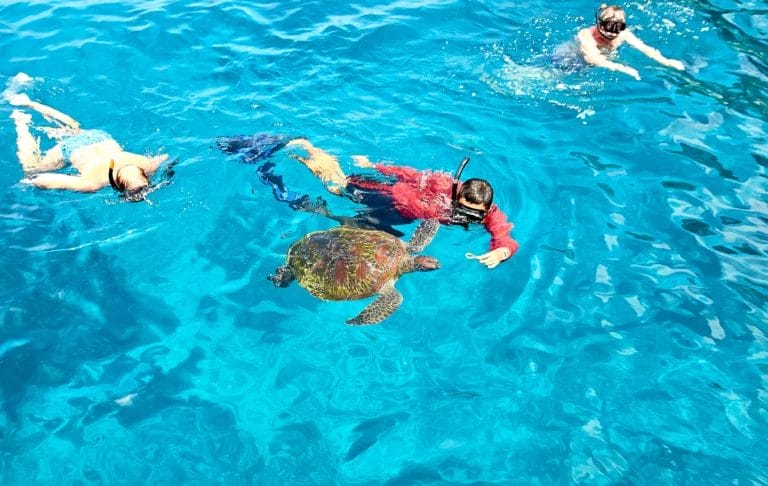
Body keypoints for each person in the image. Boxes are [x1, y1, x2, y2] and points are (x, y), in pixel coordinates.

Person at [285, 138, 519, 269]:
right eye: (463, 209)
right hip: (390, 196)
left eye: (474, 214)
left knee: (357, 231)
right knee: (337, 187)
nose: (466, 217)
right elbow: (410, 175)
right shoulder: (443, 184)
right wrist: (374, 166)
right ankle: (311, 150)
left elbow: (505, 236)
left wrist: (502, 252)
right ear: (458, 195)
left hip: (401, 217)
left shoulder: (490, 215)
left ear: (487, 209)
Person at [7, 87, 169, 201]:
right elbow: (45, 179)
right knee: (31, 168)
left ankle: (30, 103)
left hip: (100, 137)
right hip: (73, 148)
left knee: (74, 128)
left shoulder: (149, 165)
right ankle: (20, 122)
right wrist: (28, 181)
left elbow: (165, 157)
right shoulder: (92, 183)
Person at [577, 4, 685, 80]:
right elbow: (591, 58)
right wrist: (624, 68)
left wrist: (666, 61)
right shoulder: (586, 34)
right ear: (600, 24)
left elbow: (644, 48)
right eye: (609, 26)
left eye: (618, 27)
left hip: (603, 60)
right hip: (573, 59)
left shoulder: (624, 34)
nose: (613, 33)